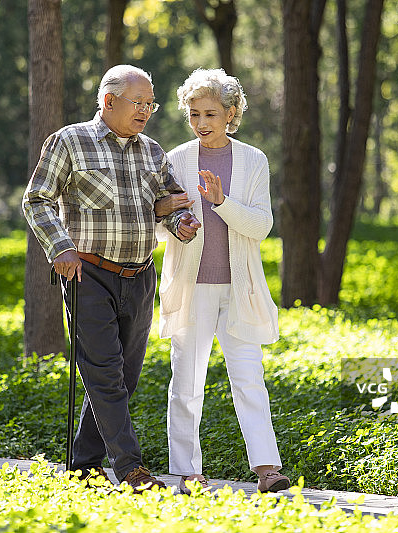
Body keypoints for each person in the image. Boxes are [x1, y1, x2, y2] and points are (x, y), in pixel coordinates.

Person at [22, 64, 201, 493]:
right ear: (108, 101)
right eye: (138, 103)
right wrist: (59, 247)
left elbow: (169, 203)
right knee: (104, 375)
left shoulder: (152, 151)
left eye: (150, 104)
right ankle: (131, 468)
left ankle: (82, 465)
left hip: (140, 276)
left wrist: (182, 223)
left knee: (125, 377)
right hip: (88, 273)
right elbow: (37, 199)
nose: (146, 111)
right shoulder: (70, 141)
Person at [155, 68, 289, 495]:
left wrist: (221, 202)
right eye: (193, 114)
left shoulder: (253, 160)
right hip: (191, 287)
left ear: (231, 113)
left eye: (210, 113)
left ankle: (267, 468)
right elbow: (160, 225)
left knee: (249, 377)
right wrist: (178, 225)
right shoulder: (175, 159)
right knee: (187, 380)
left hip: (240, 288)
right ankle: (187, 471)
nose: (201, 122)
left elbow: (261, 225)